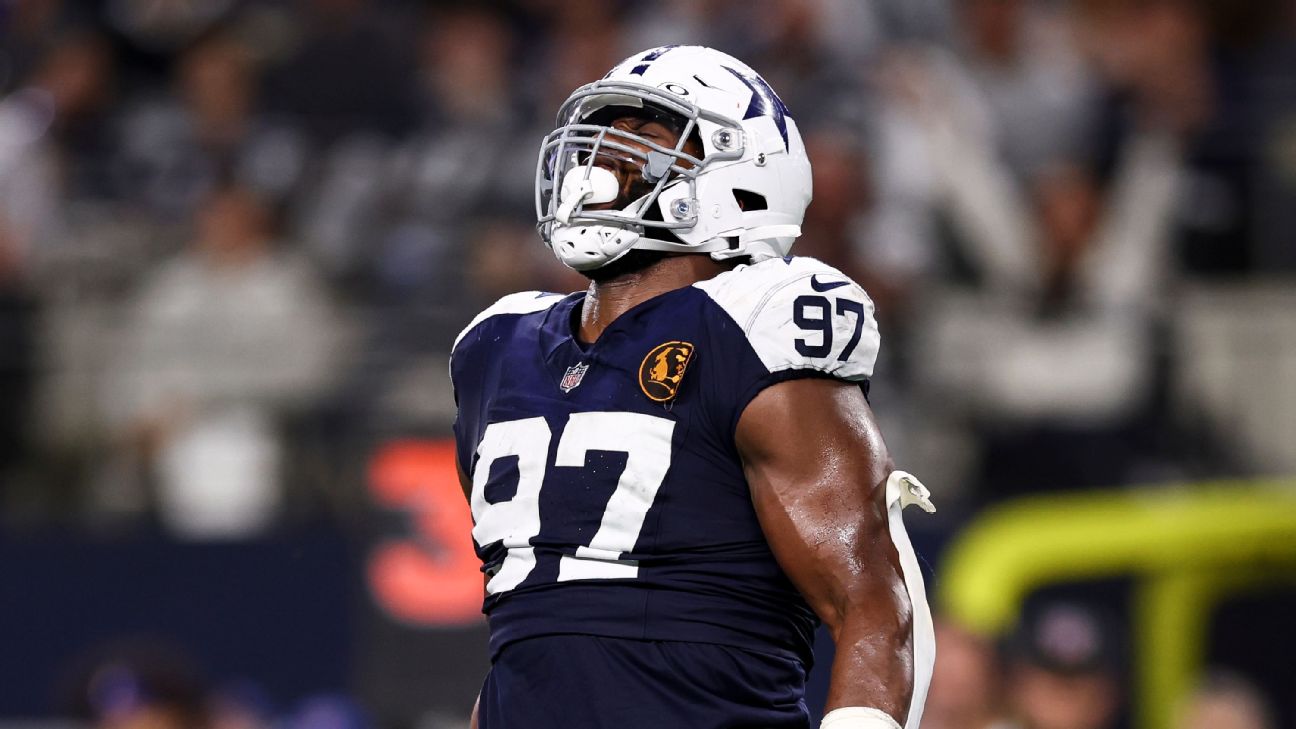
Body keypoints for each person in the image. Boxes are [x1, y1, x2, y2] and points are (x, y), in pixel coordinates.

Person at [450, 46, 935, 729]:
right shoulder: (499, 348)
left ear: (741, 178)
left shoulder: (751, 327)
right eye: (602, 138)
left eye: (643, 138)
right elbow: (534, 641)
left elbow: (877, 606)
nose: (603, 160)